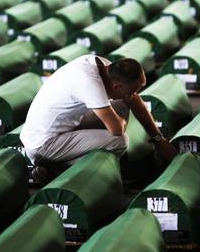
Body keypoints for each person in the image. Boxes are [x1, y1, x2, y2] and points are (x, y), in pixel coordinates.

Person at [20, 55, 177, 183]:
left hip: (62, 129)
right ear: (117, 86)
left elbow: (135, 102)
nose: (132, 95)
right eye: (131, 91)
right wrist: (120, 122)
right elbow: (116, 130)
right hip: (42, 145)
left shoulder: (105, 67)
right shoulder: (89, 82)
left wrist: (159, 140)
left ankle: (60, 164)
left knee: (122, 104)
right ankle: (55, 169)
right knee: (120, 141)